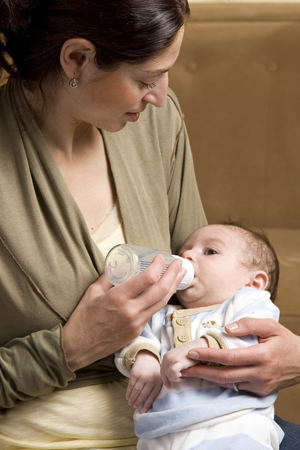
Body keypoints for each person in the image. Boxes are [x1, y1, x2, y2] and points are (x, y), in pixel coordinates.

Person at [0, 0, 207, 448]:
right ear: (77, 58)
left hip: (182, 427)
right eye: (146, 79)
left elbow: (205, 286)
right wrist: (69, 348)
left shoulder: (158, 123)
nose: (160, 94)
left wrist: (283, 354)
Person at [115, 223, 284, 449]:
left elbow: (252, 340)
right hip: (160, 430)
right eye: (185, 250)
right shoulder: (161, 312)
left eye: (210, 251)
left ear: (253, 283)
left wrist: (199, 348)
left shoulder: (249, 303)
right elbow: (131, 333)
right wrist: (145, 357)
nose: (186, 255)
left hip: (232, 422)